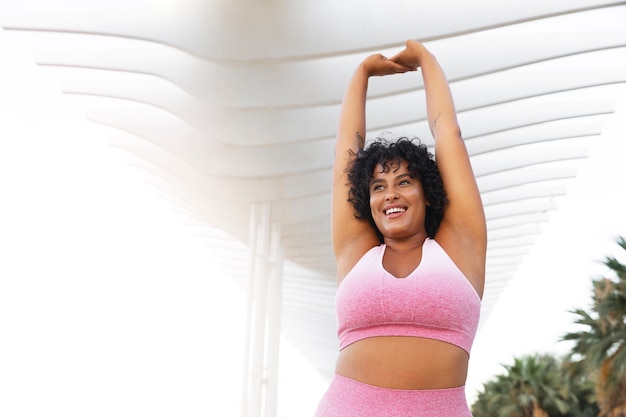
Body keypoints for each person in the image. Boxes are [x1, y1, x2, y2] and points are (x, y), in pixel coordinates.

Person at [314, 40, 487, 416]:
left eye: (404, 182)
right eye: (378, 186)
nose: (390, 194)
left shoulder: (459, 247)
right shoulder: (356, 251)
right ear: (368, 200)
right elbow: (347, 149)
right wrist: (361, 75)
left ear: (428, 193)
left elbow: (448, 136)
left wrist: (426, 61)